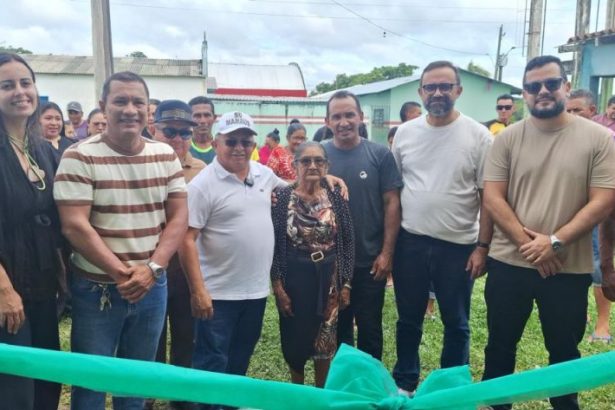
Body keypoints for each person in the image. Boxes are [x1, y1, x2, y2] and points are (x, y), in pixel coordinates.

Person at [180, 111, 346, 410]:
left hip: (255, 293)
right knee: (212, 363)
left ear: (253, 145)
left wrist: (324, 177)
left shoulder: (262, 174)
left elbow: (295, 187)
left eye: (246, 141)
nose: (239, 148)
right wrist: (198, 291)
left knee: (240, 359)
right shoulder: (202, 185)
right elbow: (186, 239)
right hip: (217, 295)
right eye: (231, 141)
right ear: (216, 143)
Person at [482, 55, 615, 410]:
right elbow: (493, 197)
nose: (542, 91)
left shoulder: (599, 139)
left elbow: (604, 199)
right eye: (533, 86)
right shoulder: (507, 139)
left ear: (566, 87)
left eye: (551, 83)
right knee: (499, 347)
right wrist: (533, 247)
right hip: (509, 264)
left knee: (564, 352)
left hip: (567, 268)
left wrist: (555, 242)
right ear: (524, 93)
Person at [54, 71, 188, 409]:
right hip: (96, 289)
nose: (130, 109)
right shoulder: (79, 156)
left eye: (138, 102)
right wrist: (122, 274)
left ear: (148, 110)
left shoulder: (165, 155)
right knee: (91, 383)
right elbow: (74, 225)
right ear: (103, 106)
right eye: (120, 101)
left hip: (152, 286)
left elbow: (178, 217)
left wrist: (152, 269)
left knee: (136, 382)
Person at [391, 61, 493, 395]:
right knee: (408, 318)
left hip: (458, 246)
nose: (437, 93)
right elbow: (394, 190)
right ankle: (405, 381)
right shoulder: (405, 133)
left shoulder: (478, 136)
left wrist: (482, 247)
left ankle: (450, 388)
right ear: (420, 92)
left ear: (458, 91)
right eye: (430, 87)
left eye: (445, 86)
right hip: (411, 243)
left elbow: (488, 197)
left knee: (456, 321)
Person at [0, 52, 62, 410]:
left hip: (42, 281)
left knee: (45, 377)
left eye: (25, 83)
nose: (19, 92)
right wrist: (4, 290)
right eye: (7, 85)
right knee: (14, 387)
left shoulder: (42, 148)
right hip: (6, 285)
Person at [323, 90, 402, 362]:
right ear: (327, 121)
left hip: (369, 261)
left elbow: (392, 203)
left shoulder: (379, 154)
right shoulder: (318, 156)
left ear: (360, 117)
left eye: (349, 115)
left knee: (370, 330)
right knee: (337, 329)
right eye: (337, 117)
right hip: (330, 263)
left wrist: (387, 253)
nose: (343, 122)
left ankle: (370, 383)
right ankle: (344, 382)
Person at [271, 141, 354, 387]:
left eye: (319, 161)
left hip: (329, 279)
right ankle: (299, 393)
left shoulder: (335, 196)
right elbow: (274, 244)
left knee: (325, 338)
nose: (312, 166)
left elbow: (348, 240)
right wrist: (278, 286)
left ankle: (320, 395)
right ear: (295, 164)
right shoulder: (282, 197)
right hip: (294, 278)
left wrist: (346, 283)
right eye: (306, 161)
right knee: (294, 338)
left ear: (327, 166)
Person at [145, 99, 204, 410]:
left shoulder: (201, 171)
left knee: (186, 338)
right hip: (147, 269)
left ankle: (181, 399)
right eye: (170, 131)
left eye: (185, 133)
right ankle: (146, 398)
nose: (178, 139)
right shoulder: (139, 163)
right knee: (149, 340)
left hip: (186, 271)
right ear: (153, 128)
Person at [566, 89, 613, 343]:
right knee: (571, 262)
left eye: (578, 110)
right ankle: (580, 312)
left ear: (592, 111)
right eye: (569, 110)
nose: (572, 114)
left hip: (596, 214)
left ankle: (603, 324)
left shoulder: (605, 139)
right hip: (567, 212)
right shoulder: (562, 137)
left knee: (597, 264)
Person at [189, 96, 217, 164]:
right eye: (197, 116)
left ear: (214, 118)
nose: (203, 121)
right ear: (188, 119)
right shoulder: (183, 148)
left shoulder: (222, 148)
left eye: (207, 115)